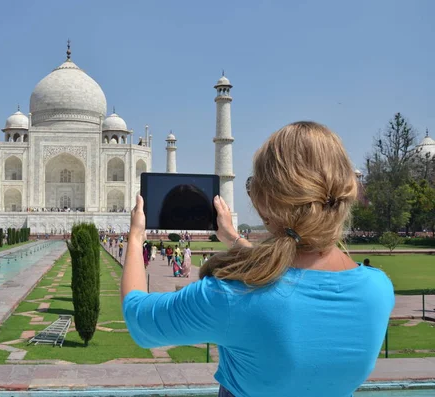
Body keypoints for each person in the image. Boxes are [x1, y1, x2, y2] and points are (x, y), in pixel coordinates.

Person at [121, 122, 394, 397]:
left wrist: (134, 237)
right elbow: (288, 277)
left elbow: (139, 319)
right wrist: (234, 238)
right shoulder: (378, 289)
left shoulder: (230, 294)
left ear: (264, 204)